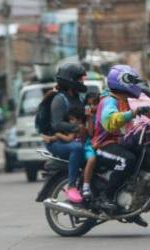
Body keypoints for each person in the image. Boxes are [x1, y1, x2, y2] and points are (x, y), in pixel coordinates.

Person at [92, 65, 149, 227]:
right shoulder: (109, 100)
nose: (135, 85)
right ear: (121, 81)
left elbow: (130, 125)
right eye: (132, 81)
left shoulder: (123, 101)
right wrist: (132, 113)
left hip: (118, 142)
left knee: (142, 156)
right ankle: (107, 197)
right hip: (103, 145)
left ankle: (130, 206)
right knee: (126, 160)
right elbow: (110, 122)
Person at [44, 63, 87, 203]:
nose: (82, 82)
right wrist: (76, 128)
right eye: (79, 79)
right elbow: (56, 124)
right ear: (70, 80)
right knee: (77, 148)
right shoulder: (59, 99)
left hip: (75, 138)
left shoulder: (79, 98)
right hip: (56, 141)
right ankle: (72, 186)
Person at [82, 92, 100, 199]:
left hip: (101, 142)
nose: (92, 107)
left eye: (95, 104)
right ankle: (86, 186)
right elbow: (90, 133)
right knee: (92, 159)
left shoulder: (103, 113)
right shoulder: (87, 118)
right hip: (90, 144)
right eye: (89, 105)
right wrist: (89, 117)